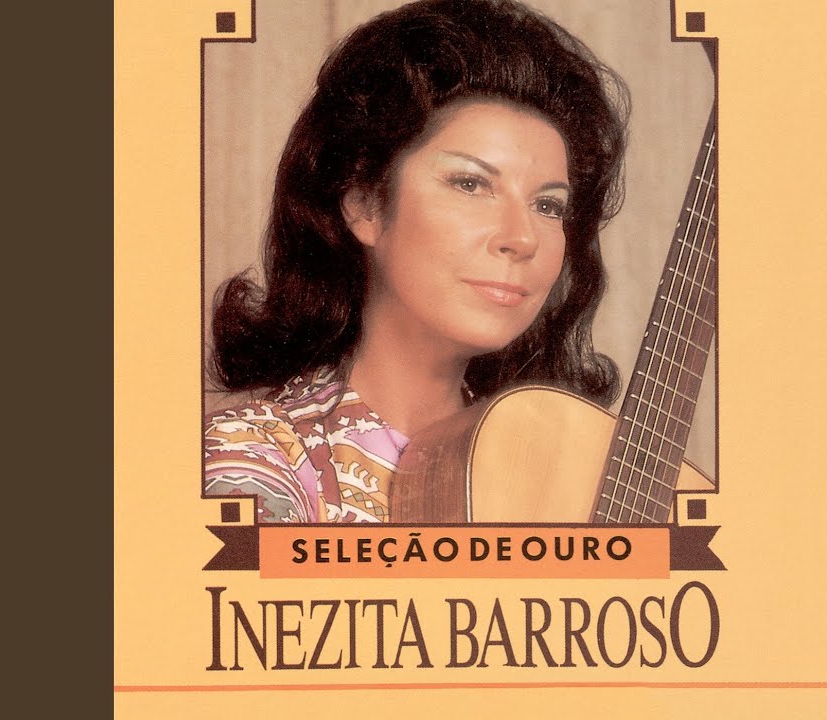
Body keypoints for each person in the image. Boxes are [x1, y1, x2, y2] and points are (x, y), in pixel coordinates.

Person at [203, 0, 630, 523]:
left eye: (548, 206)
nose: (522, 238)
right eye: (470, 184)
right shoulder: (256, 459)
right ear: (365, 205)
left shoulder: (573, 475)